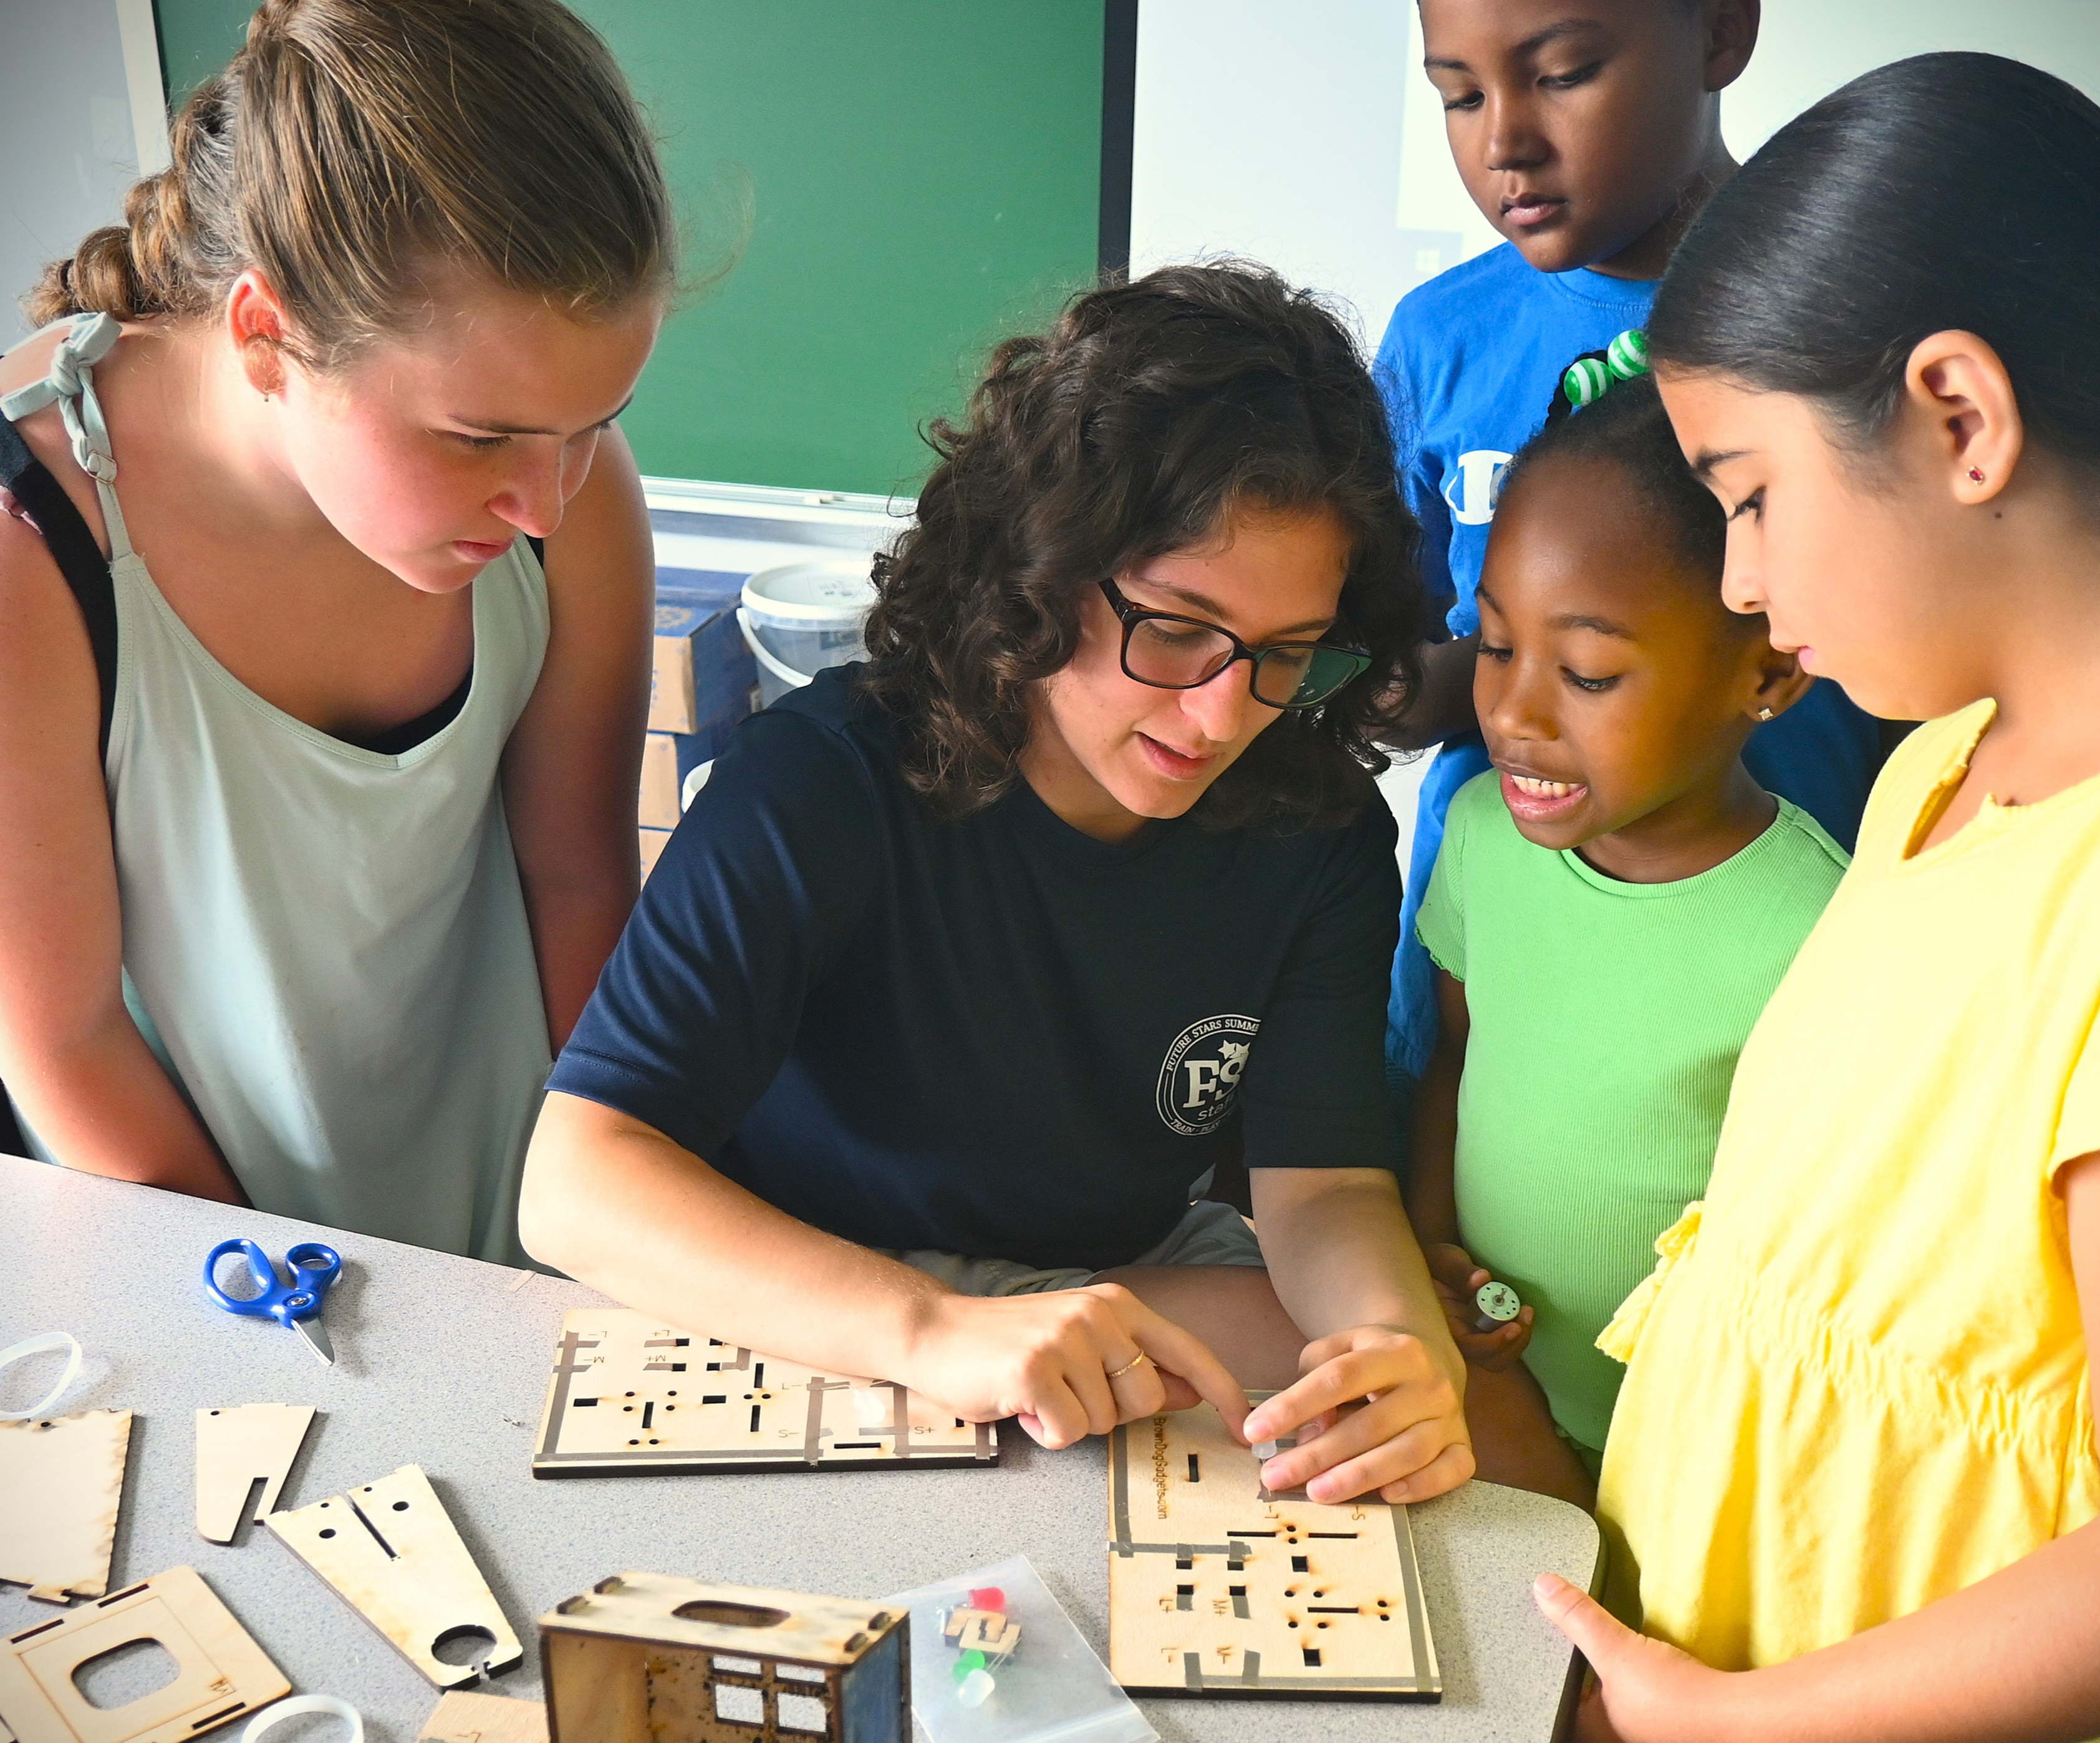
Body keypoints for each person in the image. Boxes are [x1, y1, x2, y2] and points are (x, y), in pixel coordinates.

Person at [521, 265, 1475, 1501]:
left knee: (1401, 1417)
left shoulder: (1314, 824)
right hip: (815, 1276)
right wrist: (934, 1332)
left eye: (1286, 653)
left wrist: (1394, 1351)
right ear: (1042, 568)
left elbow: (1328, 1186)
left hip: (1107, 1279)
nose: (1223, 710)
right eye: (1176, 628)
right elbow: (576, 1181)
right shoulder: (824, 783)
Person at [1531, 54, 2100, 1743]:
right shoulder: (1926, 772)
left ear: (1956, 418)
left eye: (1747, 497)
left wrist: (1727, 1721)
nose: (1740, 581)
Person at [0, 0, 667, 1261]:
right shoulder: (32, 549)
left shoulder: (569, 493)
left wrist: (610, 1221)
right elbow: (64, 1041)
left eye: (594, 422)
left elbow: (578, 877)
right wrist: (300, 1301)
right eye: (479, 437)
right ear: (266, 336)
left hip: (523, 1196)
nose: (548, 497)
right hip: (197, 1240)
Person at [1379, 0, 1881, 1091]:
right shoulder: (1438, 341)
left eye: (1561, 73)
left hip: (1791, 991)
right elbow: (1401, 656)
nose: (1501, 140)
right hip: (1499, 985)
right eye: (1458, 95)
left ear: (1716, 33)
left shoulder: (1856, 319)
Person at [1404, 358, 1846, 1508]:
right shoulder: (1483, 839)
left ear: (1769, 670)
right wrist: (1426, 1253)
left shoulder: (1822, 931)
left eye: (1588, 673)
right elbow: (1455, 1061)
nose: (1512, 713)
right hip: (1483, 1407)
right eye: (1496, 648)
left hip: (1695, 1470)